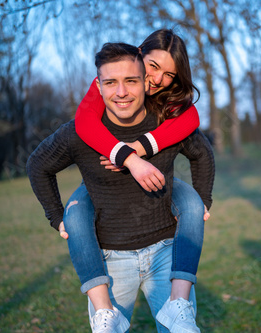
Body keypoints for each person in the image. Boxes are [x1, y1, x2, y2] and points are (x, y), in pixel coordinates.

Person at [27, 42, 215, 333]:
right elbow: (38, 164)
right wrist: (56, 215)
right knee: (77, 213)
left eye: (131, 81)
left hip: (166, 252)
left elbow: (202, 150)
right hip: (110, 260)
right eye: (111, 83)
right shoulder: (81, 129)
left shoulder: (169, 122)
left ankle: (179, 304)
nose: (123, 91)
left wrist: (201, 199)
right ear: (98, 85)